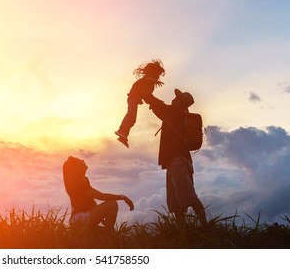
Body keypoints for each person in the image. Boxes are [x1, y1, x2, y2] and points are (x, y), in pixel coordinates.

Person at [148, 89, 207, 227]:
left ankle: (206, 227)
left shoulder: (175, 114)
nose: (173, 99)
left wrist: (146, 95)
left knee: (189, 197)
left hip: (178, 162)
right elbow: (160, 108)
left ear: (181, 103)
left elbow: (160, 108)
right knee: (176, 201)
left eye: (177, 98)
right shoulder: (178, 115)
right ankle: (182, 230)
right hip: (175, 162)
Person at [62, 156, 134, 234]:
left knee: (108, 233)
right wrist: (122, 197)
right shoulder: (79, 183)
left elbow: (91, 201)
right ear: (76, 167)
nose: (83, 160)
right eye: (79, 160)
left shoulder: (84, 180)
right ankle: (109, 235)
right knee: (112, 204)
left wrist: (101, 218)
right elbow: (101, 196)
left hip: (80, 220)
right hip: (80, 219)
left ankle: (109, 234)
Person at [115, 59, 165, 148]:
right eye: (158, 74)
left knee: (132, 118)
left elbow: (147, 96)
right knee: (131, 115)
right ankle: (122, 130)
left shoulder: (150, 83)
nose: (158, 76)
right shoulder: (146, 80)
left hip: (134, 99)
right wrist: (154, 101)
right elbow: (147, 90)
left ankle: (123, 136)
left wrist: (153, 103)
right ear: (153, 72)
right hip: (133, 98)